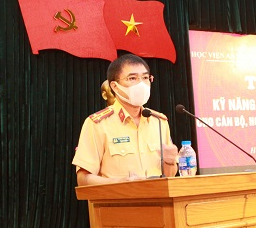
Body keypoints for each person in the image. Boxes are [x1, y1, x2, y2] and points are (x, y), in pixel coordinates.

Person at [73, 54, 178, 185]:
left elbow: (169, 177)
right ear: (115, 86)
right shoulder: (98, 124)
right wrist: (121, 183)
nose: (141, 84)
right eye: (132, 78)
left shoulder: (159, 122)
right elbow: (83, 179)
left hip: (158, 197)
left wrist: (169, 162)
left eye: (145, 78)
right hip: (117, 197)